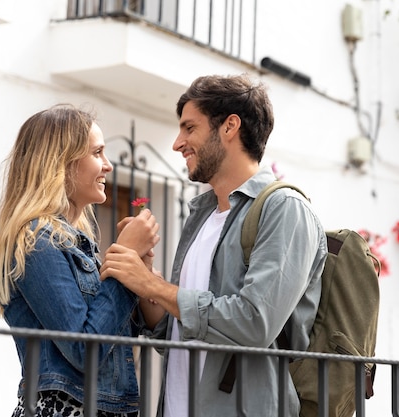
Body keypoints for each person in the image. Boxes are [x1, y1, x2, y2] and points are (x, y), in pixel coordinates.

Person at [100, 74, 328, 416]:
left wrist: (154, 285)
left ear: (229, 126)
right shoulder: (202, 216)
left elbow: (255, 322)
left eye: (189, 128)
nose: (178, 143)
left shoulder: (285, 209)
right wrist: (143, 277)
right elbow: (174, 330)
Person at [0, 104, 160, 417]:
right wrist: (123, 262)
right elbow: (85, 349)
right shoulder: (36, 239)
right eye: (97, 153)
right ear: (61, 162)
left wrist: (140, 271)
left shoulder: (81, 246)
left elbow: (131, 334)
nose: (108, 166)